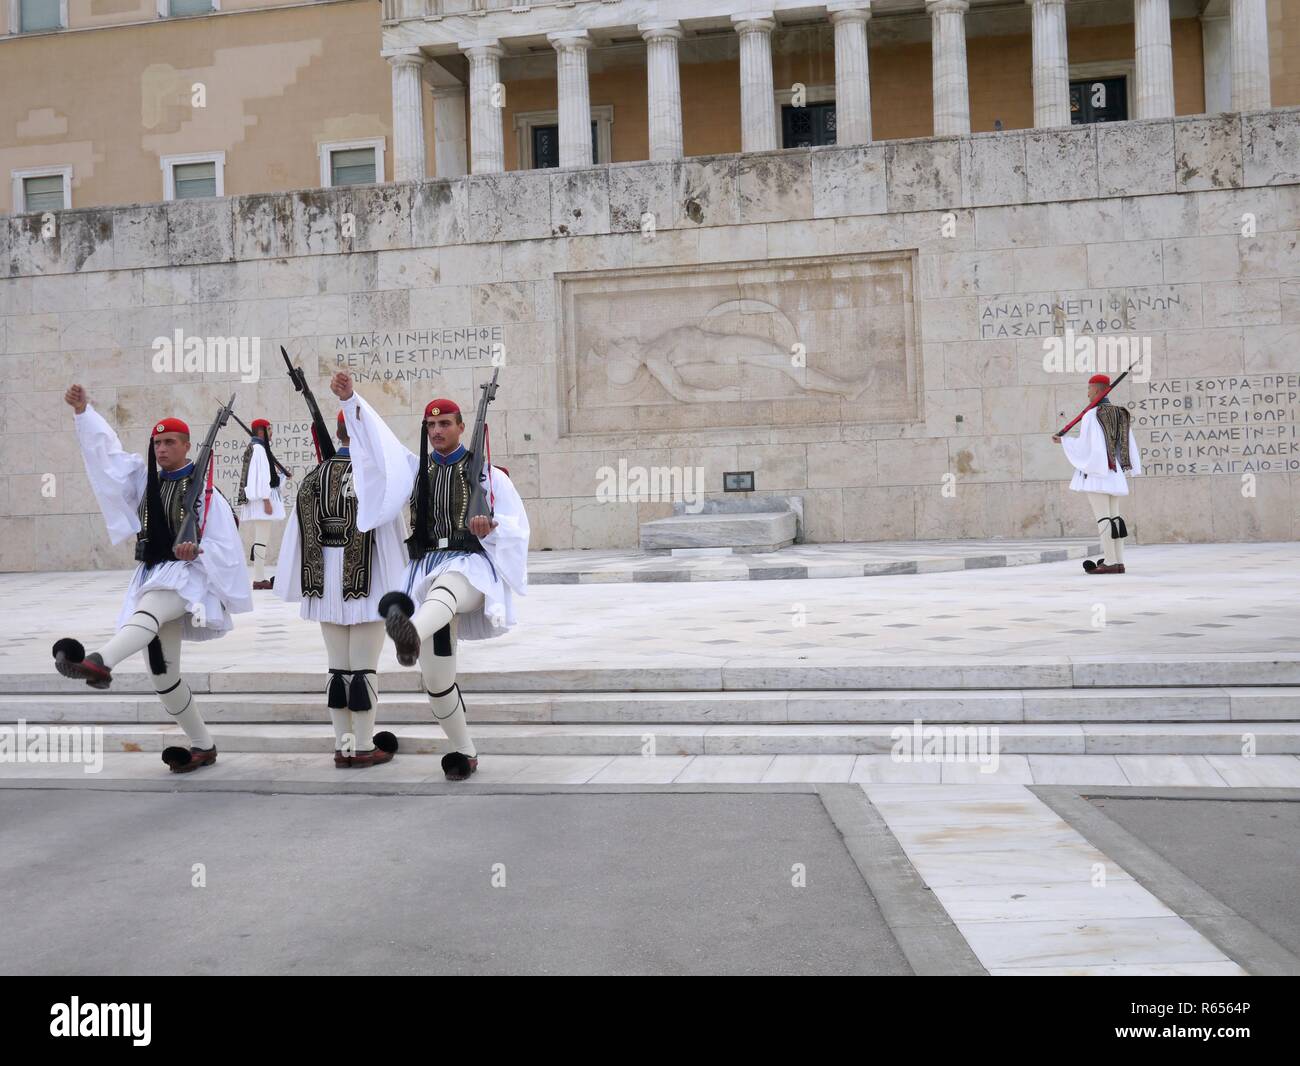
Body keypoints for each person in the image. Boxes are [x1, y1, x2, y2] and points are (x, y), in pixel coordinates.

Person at [330, 372, 529, 781]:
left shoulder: (491, 476)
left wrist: (492, 528)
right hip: (424, 575)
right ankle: (464, 752)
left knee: (450, 584)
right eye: (431, 425)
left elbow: (518, 526)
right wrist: (351, 402)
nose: (437, 430)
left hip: (471, 570)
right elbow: (375, 446)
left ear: (460, 427)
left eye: (445, 424)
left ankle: (409, 633)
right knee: (438, 682)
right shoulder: (414, 471)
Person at [51, 384, 252, 772]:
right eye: (157, 443)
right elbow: (106, 458)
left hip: (190, 577)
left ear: (187, 446)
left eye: (170, 442)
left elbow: (225, 544)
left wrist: (198, 550)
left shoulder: (207, 493)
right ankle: (202, 746)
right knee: (163, 675)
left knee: (152, 606)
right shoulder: (145, 479)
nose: (161, 449)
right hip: (154, 572)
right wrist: (84, 413)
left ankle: (100, 661)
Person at [276, 411, 407, 767]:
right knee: (363, 668)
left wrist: (302, 585)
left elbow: (295, 538)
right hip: (369, 581)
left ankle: (343, 746)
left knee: (338, 669)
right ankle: (363, 746)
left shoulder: (313, 476)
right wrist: (402, 587)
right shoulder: (375, 477)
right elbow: (391, 537)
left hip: (323, 584)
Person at [1053, 373, 1142, 575]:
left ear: (1097, 390)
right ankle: (1118, 561)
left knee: (1104, 518)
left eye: (1089, 389)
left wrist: (1064, 441)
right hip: (1114, 473)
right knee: (1115, 518)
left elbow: (1087, 447)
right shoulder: (1120, 413)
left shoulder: (1092, 415)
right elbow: (1128, 445)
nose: (1087, 393)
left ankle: (1110, 562)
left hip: (1097, 473)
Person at [235, 418, 285, 590]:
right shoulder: (259, 450)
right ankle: (258, 578)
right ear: (261, 432)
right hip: (262, 501)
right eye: (269, 429)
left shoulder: (258, 449)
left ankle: (259, 576)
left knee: (261, 538)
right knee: (262, 539)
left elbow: (266, 475)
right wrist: (266, 500)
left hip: (260, 500)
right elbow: (262, 477)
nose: (272, 432)